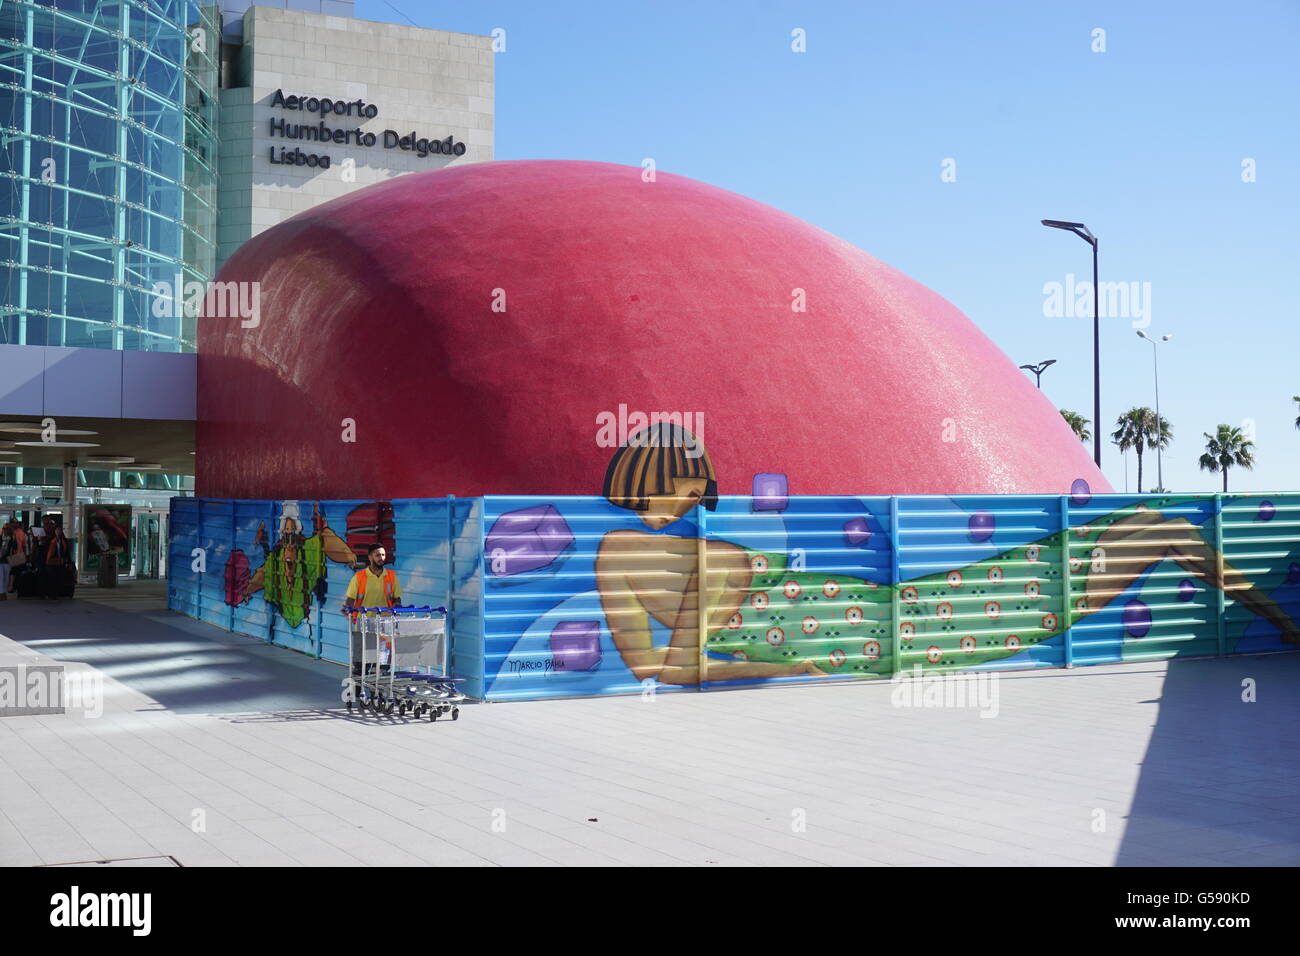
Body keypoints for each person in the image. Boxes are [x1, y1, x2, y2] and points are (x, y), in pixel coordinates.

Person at [342, 543, 402, 614]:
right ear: (370, 557)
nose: (381, 558)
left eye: (383, 555)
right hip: (363, 620)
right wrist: (348, 609)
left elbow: (397, 598)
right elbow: (351, 599)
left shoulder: (392, 576)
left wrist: (397, 605)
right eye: (378, 555)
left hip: (386, 621)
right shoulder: (359, 577)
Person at [39, 518, 70, 601]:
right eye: (57, 530)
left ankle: (55, 593)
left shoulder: (64, 541)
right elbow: (44, 549)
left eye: (60, 530)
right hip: (50, 562)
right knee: (51, 578)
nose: (58, 532)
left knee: (58, 578)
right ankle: (51, 594)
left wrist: (68, 561)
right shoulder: (50, 541)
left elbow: (67, 552)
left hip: (60, 562)